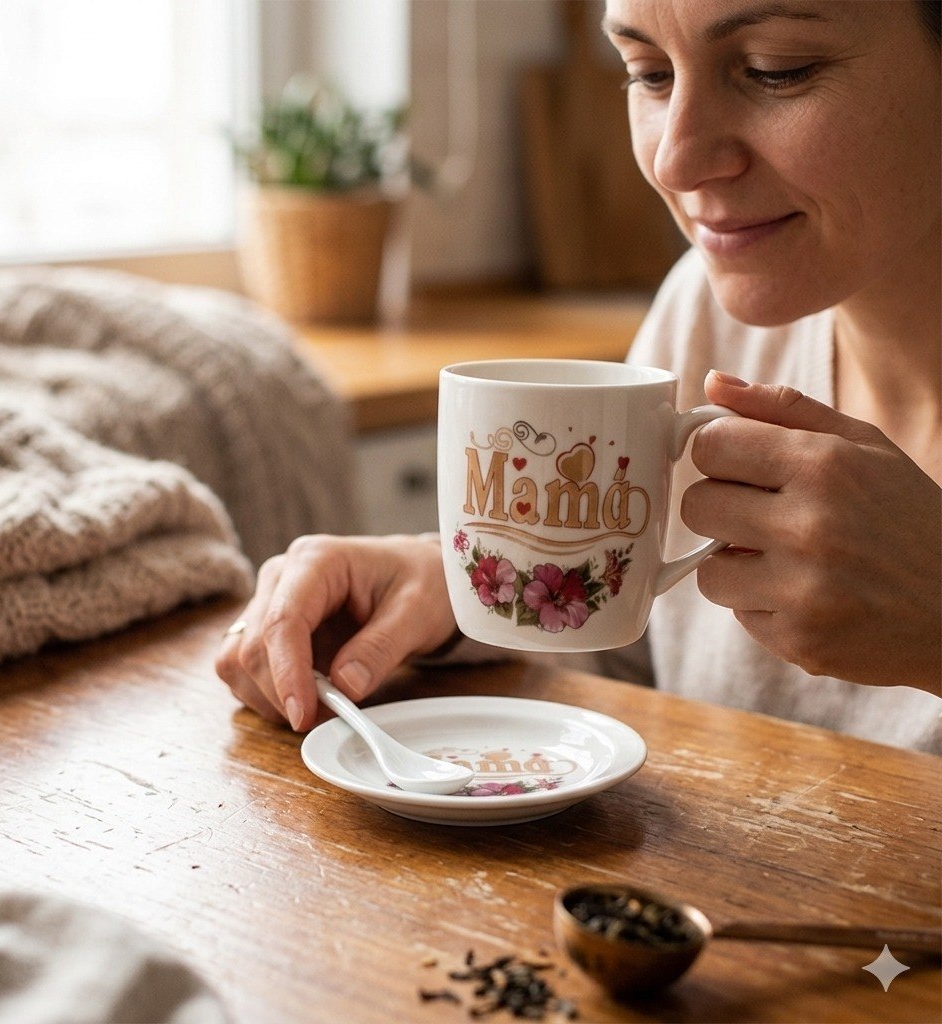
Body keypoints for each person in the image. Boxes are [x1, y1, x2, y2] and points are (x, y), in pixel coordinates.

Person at [217, 0, 941, 753]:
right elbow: (640, 652)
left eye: (774, 71)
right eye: (649, 74)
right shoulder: (708, 315)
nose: (674, 160)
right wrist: (443, 587)